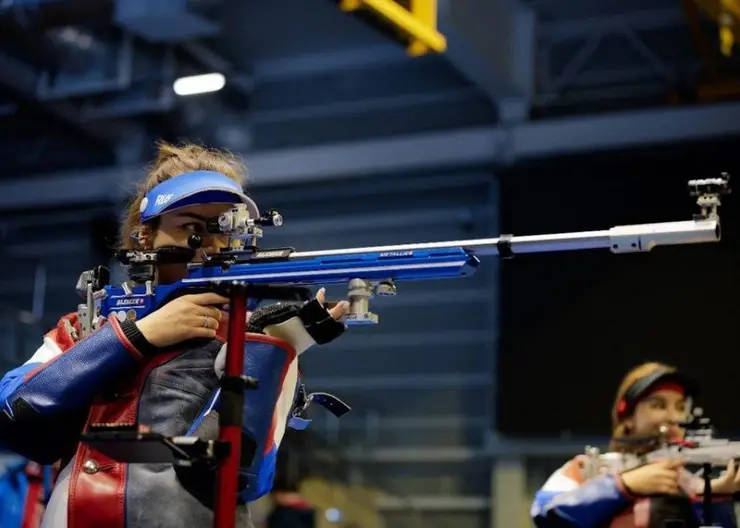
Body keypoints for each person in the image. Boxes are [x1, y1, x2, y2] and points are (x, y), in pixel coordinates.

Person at [0, 142, 350, 528]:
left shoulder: (253, 336)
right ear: (144, 236)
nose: (212, 247)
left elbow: (246, 477)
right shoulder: (91, 324)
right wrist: (137, 335)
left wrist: (272, 347)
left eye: (226, 230)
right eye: (192, 229)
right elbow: (13, 411)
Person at [531, 361, 740, 528]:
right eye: (658, 405)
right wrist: (623, 486)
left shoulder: (691, 479)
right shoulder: (589, 468)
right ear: (627, 418)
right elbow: (546, 513)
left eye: (680, 407)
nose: (674, 417)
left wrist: (714, 500)